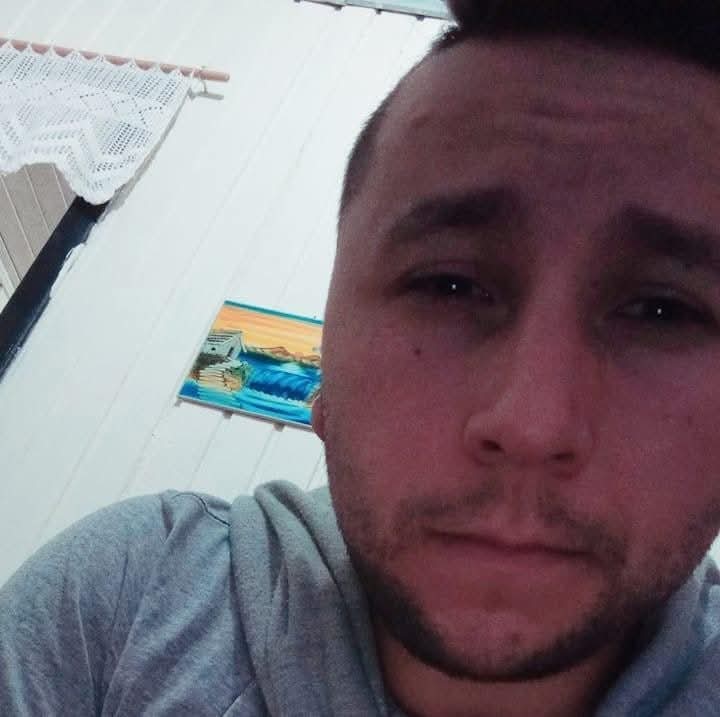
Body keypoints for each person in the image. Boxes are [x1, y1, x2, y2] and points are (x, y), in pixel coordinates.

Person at [3, 1, 720, 714]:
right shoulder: (126, 603)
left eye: (663, 310)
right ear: (325, 383)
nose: (531, 426)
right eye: (449, 284)